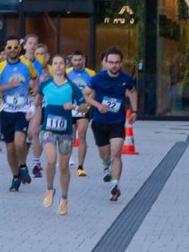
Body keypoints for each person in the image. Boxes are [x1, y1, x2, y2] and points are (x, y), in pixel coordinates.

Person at [84, 47, 138, 203]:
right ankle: (105, 165)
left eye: (117, 63)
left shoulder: (126, 78)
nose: (114, 65)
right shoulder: (97, 78)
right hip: (100, 122)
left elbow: (133, 92)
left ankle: (115, 186)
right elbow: (86, 95)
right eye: (111, 62)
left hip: (117, 121)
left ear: (121, 63)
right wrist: (97, 105)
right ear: (105, 63)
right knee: (105, 154)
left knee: (116, 153)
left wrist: (134, 111)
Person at [0, 36, 36, 192]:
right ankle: (15, 176)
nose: (12, 50)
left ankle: (22, 165)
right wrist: (7, 86)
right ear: (5, 49)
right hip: (6, 110)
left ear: (19, 49)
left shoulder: (26, 64)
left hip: (22, 109)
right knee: (10, 148)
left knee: (19, 141)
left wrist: (35, 89)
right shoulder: (0, 67)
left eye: (15, 47)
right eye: (9, 48)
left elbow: (36, 79)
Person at [39, 54, 82, 215]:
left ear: (66, 66)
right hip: (48, 130)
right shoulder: (45, 85)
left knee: (64, 167)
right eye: (55, 63)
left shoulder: (72, 87)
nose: (58, 66)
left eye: (61, 63)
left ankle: (64, 199)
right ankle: (50, 189)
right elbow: (37, 101)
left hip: (65, 133)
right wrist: (31, 112)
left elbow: (85, 107)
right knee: (51, 159)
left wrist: (75, 107)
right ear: (52, 66)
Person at [66, 51, 95, 176]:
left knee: (82, 134)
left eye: (80, 60)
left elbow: (94, 90)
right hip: (70, 108)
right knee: (70, 136)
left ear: (84, 60)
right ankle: (67, 160)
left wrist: (88, 105)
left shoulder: (91, 73)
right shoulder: (66, 73)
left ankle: (80, 166)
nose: (77, 62)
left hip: (83, 107)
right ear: (72, 61)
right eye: (75, 60)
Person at [22, 34, 44, 178]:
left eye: (35, 43)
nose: (32, 45)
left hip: (36, 100)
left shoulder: (40, 64)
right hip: (19, 103)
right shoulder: (18, 62)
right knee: (24, 135)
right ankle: (21, 164)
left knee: (35, 132)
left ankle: (36, 164)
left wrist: (38, 87)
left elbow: (42, 81)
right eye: (30, 43)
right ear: (24, 46)